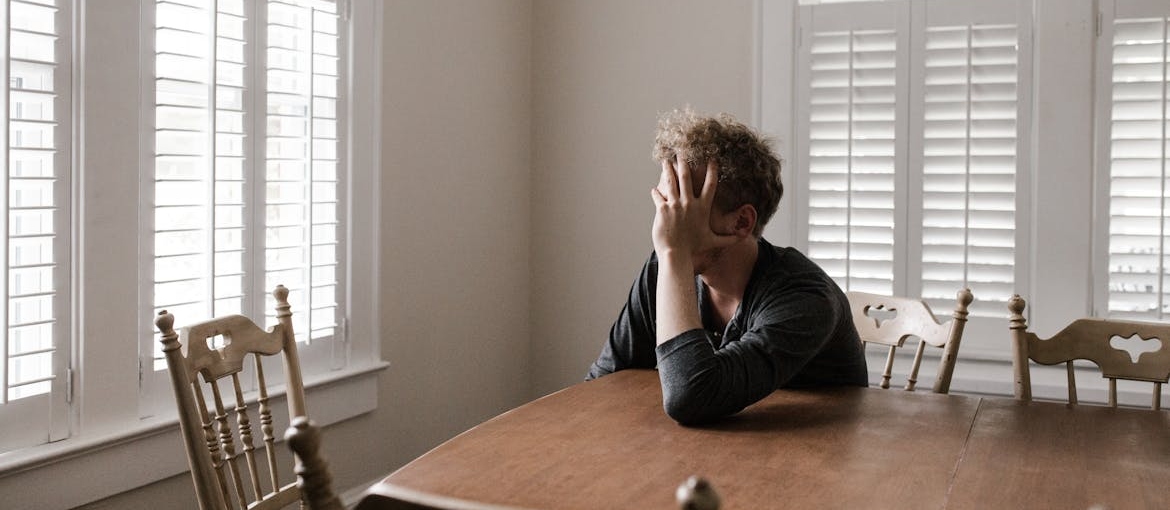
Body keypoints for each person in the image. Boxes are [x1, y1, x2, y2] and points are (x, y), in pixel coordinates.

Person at [587, 108, 868, 425]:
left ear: (742, 221)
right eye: (665, 204)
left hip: (818, 459)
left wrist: (675, 254)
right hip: (714, 453)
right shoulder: (665, 268)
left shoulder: (806, 298)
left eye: (683, 207)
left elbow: (690, 397)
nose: (664, 224)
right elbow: (602, 383)